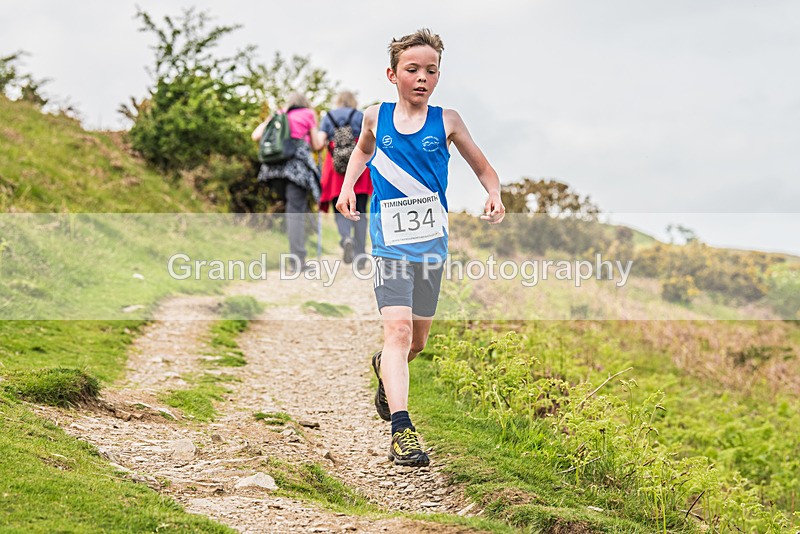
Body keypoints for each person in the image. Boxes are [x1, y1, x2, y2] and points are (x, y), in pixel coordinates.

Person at [336, 29, 505, 467]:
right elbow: (361, 152)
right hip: (388, 245)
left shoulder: (447, 121)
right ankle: (402, 431)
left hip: (431, 248)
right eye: (412, 69)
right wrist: (349, 186)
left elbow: (484, 168)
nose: (422, 77)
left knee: (416, 342)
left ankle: (384, 367)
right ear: (392, 75)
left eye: (431, 70)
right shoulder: (375, 117)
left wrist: (494, 193)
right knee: (398, 333)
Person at [252, 92, 324, 270]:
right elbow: (316, 145)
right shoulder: (308, 114)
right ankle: (297, 261)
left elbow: (256, 135)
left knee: (292, 210)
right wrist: (322, 137)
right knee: (295, 212)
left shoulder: (279, 113)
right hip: (296, 169)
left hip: (274, 170)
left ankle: (295, 256)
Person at [316, 91, 373, 267]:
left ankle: (346, 237)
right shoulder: (359, 116)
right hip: (359, 168)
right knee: (360, 209)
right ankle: (360, 255)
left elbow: (319, 143)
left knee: (339, 206)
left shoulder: (328, 117)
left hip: (335, 169)